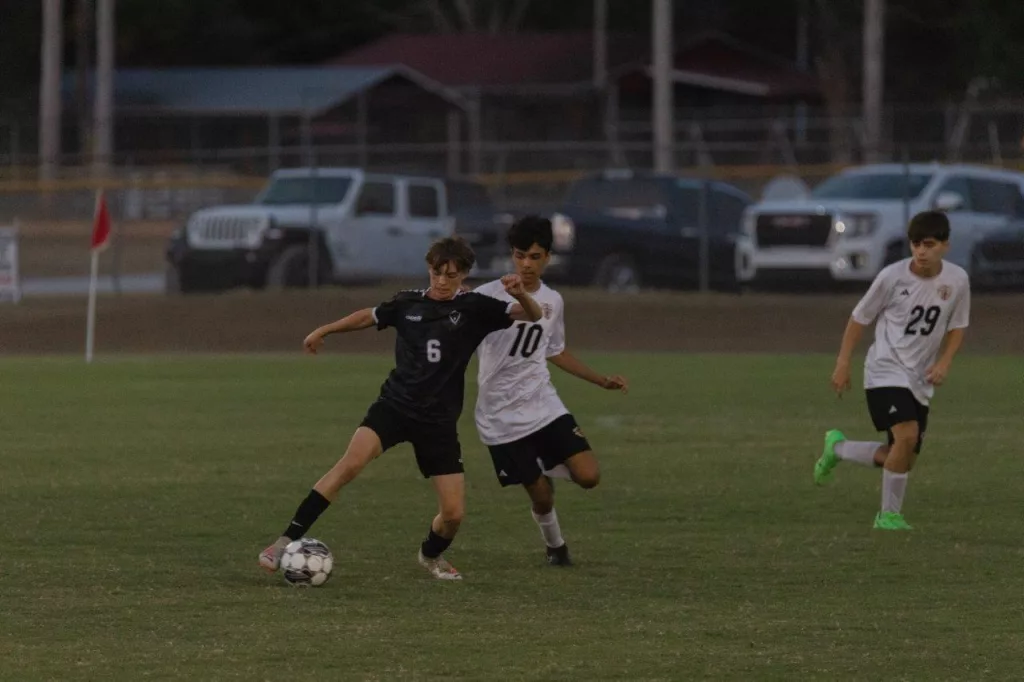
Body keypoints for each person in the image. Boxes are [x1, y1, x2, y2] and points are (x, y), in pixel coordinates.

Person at [258, 236, 542, 580]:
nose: (442, 281)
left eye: (451, 275)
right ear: (429, 269)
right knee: (349, 465)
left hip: (438, 422)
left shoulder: (476, 307)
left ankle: (430, 555)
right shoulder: (407, 303)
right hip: (395, 406)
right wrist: (325, 330)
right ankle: (283, 541)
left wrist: (520, 295)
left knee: (453, 514)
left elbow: (533, 314)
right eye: (437, 273)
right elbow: (368, 316)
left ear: (464, 275)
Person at [472, 216, 628, 565]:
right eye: (520, 255)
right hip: (500, 416)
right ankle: (556, 548)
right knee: (542, 497)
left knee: (589, 476)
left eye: (535, 257)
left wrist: (601, 380)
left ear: (547, 258)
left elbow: (555, 350)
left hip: (542, 403)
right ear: (512, 255)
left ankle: (545, 464)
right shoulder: (486, 296)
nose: (526, 264)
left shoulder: (553, 301)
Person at [813, 210, 970, 530]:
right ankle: (888, 516)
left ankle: (838, 449)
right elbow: (859, 319)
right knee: (907, 435)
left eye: (929, 244)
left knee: (902, 457)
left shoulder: (957, 280)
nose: (921, 251)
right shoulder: (891, 277)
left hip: (920, 378)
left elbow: (958, 325)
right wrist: (843, 363)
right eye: (915, 244)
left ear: (946, 245)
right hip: (884, 370)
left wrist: (944, 362)